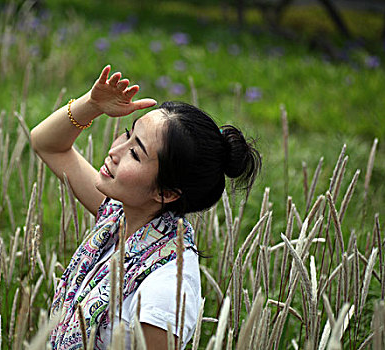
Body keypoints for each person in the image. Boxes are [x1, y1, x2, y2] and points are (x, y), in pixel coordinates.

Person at [30, 65, 261, 349]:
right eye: (127, 134)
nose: (115, 151)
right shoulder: (118, 217)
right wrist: (92, 104)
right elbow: (47, 144)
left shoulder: (165, 293)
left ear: (167, 192)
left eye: (135, 153)